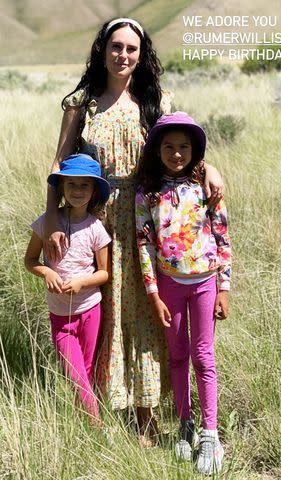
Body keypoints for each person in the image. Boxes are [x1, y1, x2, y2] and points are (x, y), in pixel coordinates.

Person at [44, 17, 224, 445]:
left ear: (141, 56)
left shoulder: (154, 100)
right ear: (102, 50)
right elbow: (59, 164)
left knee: (144, 314)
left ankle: (145, 414)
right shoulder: (81, 103)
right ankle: (97, 408)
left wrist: (210, 166)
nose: (122, 55)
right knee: (100, 314)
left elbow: (180, 147)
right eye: (115, 47)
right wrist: (53, 217)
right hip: (97, 221)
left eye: (131, 49)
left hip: (148, 219)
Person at [135, 111, 231, 473]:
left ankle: (210, 433)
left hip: (205, 282)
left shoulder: (207, 188)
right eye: (170, 147)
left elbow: (222, 237)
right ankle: (184, 425)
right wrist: (152, 293)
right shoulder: (147, 193)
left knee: (203, 357)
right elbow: (143, 244)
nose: (177, 154)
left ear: (195, 151)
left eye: (184, 147)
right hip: (169, 286)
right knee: (177, 356)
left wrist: (224, 287)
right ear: (158, 149)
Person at [25, 154, 111, 424]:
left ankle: (82, 424)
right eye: (71, 184)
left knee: (85, 369)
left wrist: (82, 282)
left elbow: (104, 272)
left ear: (94, 190)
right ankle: (98, 425)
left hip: (90, 309)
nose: (77, 191)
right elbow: (29, 260)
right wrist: (47, 271)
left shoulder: (96, 228)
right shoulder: (46, 224)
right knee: (73, 371)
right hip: (60, 316)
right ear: (61, 187)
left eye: (84, 185)